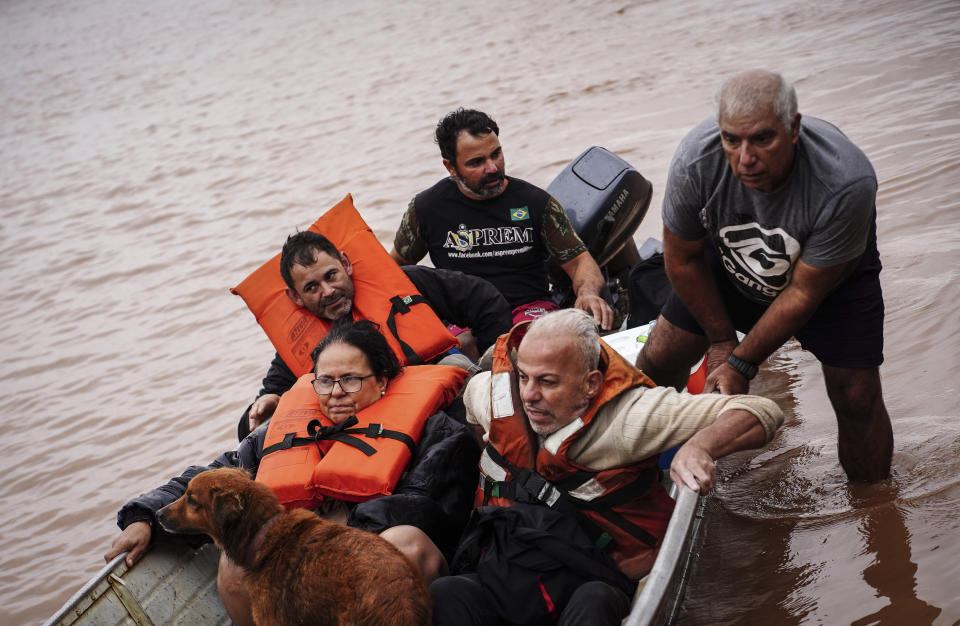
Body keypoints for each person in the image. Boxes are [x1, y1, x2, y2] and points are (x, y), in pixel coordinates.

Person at [106, 321, 481, 626]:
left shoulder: (438, 430)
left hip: (390, 582)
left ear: (382, 381)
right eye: (325, 381)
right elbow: (215, 477)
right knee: (235, 567)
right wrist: (144, 517)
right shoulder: (286, 433)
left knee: (403, 543)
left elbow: (429, 508)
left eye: (350, 380)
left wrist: (330, 533)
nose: (335, 393)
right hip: (312, 580)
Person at [430, 309, 784, 626]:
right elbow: (471, 405)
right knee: (447, 593)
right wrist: (496, 450)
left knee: (595, 601)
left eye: (548, 382)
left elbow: (760, 411)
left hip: (589, 577)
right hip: (509, 571)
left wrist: (699, 447)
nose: (530, 395)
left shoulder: (631, 417)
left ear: (591, 384)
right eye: (524, 377)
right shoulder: (495, 398)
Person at [634, 69, 893, 482]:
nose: (745, 158)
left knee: (857, 396)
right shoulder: (696, 161)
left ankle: (876, 504)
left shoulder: (846, 181)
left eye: (762, 139)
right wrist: (721, 339)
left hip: (829, 281)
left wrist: (741, 361)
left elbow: (804, 293)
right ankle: (634, 473)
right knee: (660, 356)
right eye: (731, 140)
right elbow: (682, 258)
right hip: (730, 257)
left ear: (793, 128)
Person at [240, 229, 512, 438]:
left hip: (446, 395)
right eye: (311, 287)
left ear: (345, 264)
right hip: (383, 429)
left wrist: (497, 356)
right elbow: (261, 405)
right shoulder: (300, 345)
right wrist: (265, 403)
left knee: (465, 368)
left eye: (331, 275)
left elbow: (486, 302)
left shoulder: (407, 283)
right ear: (295, 297)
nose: (328, 291)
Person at [390, 107, 615, 331]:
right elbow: (395, 267)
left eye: (496, 154)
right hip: (462, 320)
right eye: (476, 162)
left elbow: (579, 262)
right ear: (451, 167)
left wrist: (587, 294)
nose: (492, 167)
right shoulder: (426, 208)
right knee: (456, 348)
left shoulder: (536, 203)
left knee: (529, 336)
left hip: (528, 312)